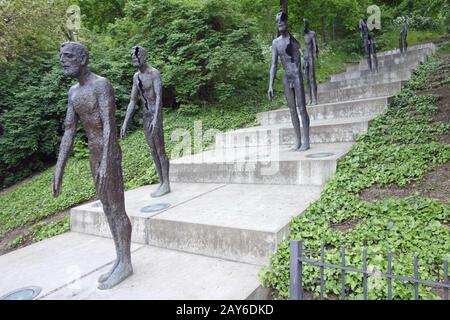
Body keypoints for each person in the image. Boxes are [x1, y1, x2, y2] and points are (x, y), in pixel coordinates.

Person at [53, 42, 133, 290]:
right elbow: (68, 131)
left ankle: (126, 262)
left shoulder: (101, 85)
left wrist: (107, 163)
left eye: (67, 56)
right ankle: (120, 257)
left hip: (109, 153)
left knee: (117, 207)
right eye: (61, 57)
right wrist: (59, 169)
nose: (62, 60)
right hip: (94, 154)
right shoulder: (73, 93)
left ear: (82, 58)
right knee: (108, 207)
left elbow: (109, 126)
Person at [121, 46, 171, 197]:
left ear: (143, 56)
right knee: (152, 150)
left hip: (156, 114)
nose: (133, 58)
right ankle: (161, 182)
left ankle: (166, 183)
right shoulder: (136, 77)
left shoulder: (154, 73)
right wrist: (125, 122)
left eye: (136, 55)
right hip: (146, 116)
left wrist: (156, 118)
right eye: (132, 56)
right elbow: (132, 101)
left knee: (160, 149)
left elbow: (158, 98)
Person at [268, 12, 310, 152]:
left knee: (302, 108)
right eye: (277, 21)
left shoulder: (293, 41)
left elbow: (302, 57)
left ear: (286, 23)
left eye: (282, 21)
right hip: (287, 77)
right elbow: (274, 64)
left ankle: (306, 141)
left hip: (297, 76)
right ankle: (297, 140)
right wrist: (270, 85)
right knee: (292, 110)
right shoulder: (276, 43)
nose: (279, 23)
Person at [303, 18, 320, 106]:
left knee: (312, 78)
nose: (303, 27)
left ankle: (315, 99)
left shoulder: (312, 33)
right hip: (305, 57)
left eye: (304, 25)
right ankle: (309, 99)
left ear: (307, 25)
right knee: (306, 80)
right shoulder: (304, 35)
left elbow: (315, 45)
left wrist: (317, 53)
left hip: (310, 57)